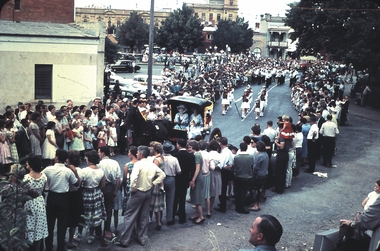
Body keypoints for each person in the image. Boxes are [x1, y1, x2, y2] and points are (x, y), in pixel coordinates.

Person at [118, 146, 166, 248]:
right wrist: (153, 183)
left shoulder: (138, 165)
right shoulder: (151, 164)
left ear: (141, 154)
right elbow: (162, 175)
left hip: (137, 192)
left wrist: (132, 189)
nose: (137, 154)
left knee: (130, 215)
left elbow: (133, 179)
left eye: (138, 152)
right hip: (148, 192)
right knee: (144, 216)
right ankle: (142, 237)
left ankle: (125, 239)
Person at [42, 149, 79, 251]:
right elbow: (76, 183)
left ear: (57, 157)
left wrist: (46, 187)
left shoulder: (48, 169)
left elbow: (41, 178)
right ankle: (60, 246)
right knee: (62, 224)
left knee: (50, 222)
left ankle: (49, 246)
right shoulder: (68, 171)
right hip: (63, 197)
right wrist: (75, 171)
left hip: (52, 196)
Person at [80, 150, 107, 246]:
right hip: (97, 193)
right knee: (96, 214)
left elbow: (79, 183)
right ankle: (96, 234)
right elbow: (103, 185)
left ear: (89, 160)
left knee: (85, 214)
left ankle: (81, 234)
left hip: (87, 194)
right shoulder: (101, 171)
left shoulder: (84, 171)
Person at [24, 156, 48, 251]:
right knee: (39, 227)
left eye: (27, 163)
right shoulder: (43, 176)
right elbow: (44, 189)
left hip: (29, 202)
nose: (26, 164)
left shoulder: (26, 178)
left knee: (29, 226)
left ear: (31, 165)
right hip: (40, 202)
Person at [97, 146, 121, 240]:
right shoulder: (115, 163)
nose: (98, 154)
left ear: (103, 153)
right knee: (109, 209)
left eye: (99, 152)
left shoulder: (99, 163)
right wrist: (115, 190)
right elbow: (118, 178)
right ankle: (107, 230)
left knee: (98, 209)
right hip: (110, 187)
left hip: (100, 187)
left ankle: (98, 230)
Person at [172, 138, 195, 224]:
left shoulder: (175, 156)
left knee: (174, 198)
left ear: (178, 145)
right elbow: (193, 169)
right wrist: (192, 179)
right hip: (185, 179)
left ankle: (172, 216)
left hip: (176, 179)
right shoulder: (191, 156)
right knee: (182, 199)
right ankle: (182, 217)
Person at [161, 140, 181, 226]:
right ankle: (169, 218)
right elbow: (179, 171)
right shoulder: (174, 159)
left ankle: (159, 219)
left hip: (161, 179)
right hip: (171, 179)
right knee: (170, 199)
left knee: (160, 199)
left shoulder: (159, 159)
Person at [187, 140, 205, 224]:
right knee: (194, 195)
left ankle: (201, 216)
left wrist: (193, 180)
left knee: (197, 197)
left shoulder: (197, 155)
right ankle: (197, 213)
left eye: (189, 147)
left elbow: (197, 168)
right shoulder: (197, 154)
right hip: (197, 177)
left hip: (197, 177)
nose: (188, 149)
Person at [148, 141, 165, 230]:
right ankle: (158, 221)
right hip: (160, 183)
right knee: (158, 203)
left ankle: (154, 220)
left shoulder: (156, 160)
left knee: (153, 203)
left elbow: (154, 172)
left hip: (155, 183)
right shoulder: (161, 157)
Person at [215, 137, 234, 213]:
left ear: (220, 143)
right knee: (223, 188)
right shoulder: (229, 151)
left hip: (224, 172)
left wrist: (213, 166)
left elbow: (221, 165)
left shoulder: (224, 153)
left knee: (222, 189)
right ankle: (222, 204)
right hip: (228, 171)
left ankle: (223, 206)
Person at [233, 142, 253, 214]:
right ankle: (241, 207)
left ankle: (238, 206)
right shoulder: (251, 157)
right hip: (247, 176)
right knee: (243, 193)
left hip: (238, 176)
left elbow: (235, 166)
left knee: (237, 192)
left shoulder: (236, 157)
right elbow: (252, 166)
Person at [248, 141, 269, 212]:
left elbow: (255, 168)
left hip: (259, 175)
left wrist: (252, 175)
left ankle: (255, 206)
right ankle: (258, 204)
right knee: (260, 190)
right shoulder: (265, 154)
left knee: (255, 190)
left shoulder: (259, 156)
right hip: (265, 174)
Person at [123, 146, 138, 214]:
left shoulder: (128, 165)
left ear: (132, 154)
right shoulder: (140, 163)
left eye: (129, 152)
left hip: (130, 185)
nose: (128, 154)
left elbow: (125, 178)